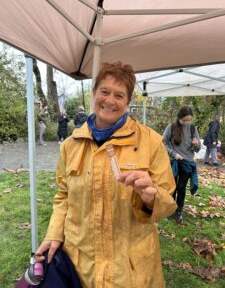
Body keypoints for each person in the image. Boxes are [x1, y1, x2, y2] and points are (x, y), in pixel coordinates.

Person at [36, 62, 177, 287]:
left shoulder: (151, 142)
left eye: (119, 95)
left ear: (128, 102)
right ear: (94, 93)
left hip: (129, 271)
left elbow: (169, 201)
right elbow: (63, 196)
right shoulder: (70, 145)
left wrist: (152, 198)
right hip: (81, 266)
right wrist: (54, 234)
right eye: (105, 91)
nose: (110, 100)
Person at [163, 105, 201, 223]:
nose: (186, 123)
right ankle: (170, 209)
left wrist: (196, 144)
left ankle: (178, 211)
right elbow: (163, 143)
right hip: (174, 162)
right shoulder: (172, 127)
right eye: (184, 120)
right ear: (179, 118)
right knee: (172, 187)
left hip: (187, 162)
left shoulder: (192, 129)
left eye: (189, 120)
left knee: (181, 188)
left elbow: (198, 149)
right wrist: (174, 154)